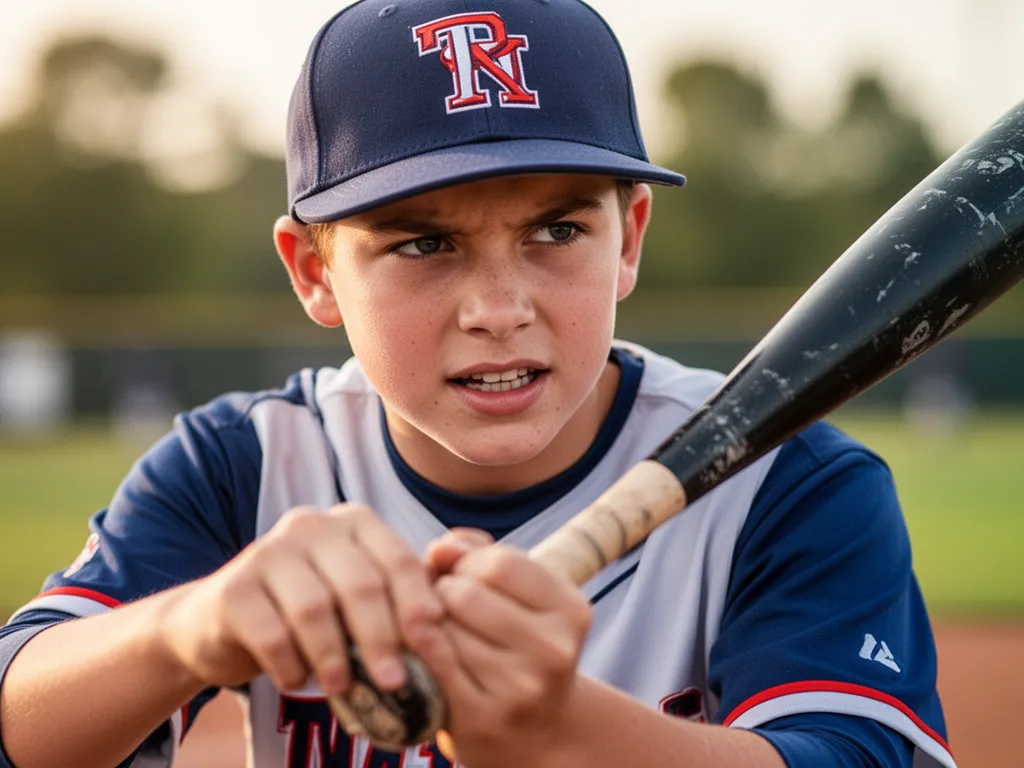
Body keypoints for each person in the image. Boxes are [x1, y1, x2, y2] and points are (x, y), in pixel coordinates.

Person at [0, 1, 955, 767]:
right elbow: (20, 713)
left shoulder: (779, 480)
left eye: (556, 230)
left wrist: (559, 738)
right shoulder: (244, 467)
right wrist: (190, 626)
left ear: (627, 238)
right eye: (423, 242)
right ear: (314, 272)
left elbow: (850, 752)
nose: (498, 308)